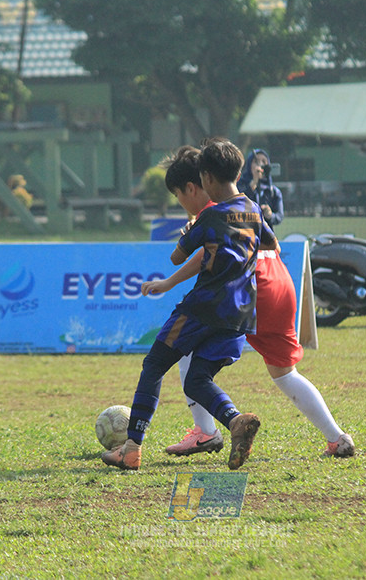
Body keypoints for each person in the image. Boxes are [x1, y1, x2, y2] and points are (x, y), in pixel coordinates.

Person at [144, 146, 355, 458]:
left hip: (250, 289)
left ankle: (207, 431)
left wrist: (170, 280)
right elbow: (269, 246)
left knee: (184, 348)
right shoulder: (244, 205)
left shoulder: (214, 212)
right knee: (285, 373)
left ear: (200, 184)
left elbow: (204, 255)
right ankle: (338, 438)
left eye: (180, 194)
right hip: (280, 282)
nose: (182, 202)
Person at [102, 138, 275, 471]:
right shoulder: (252, 209)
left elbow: (176, 255)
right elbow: (271, 243)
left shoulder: (208, 219)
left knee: (154, 366)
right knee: (197, 379)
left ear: (206, 179)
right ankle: (236, 421)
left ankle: (132, 448)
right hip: (240, 314)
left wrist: (194, 229)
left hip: (202, 309)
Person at [238, 148, 284, 228]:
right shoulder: (240, 185)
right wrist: (254, 182)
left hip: (266, 237)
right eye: (256, 162)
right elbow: (238, 205)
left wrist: (270, 215)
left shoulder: (273, 191)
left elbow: (279, 216)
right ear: (249, 165)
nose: (260, 165)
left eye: (263, 161)